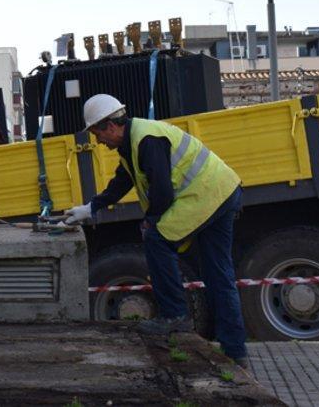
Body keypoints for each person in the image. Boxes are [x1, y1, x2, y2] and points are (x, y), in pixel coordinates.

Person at [63, 94, 248, 368]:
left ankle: (175, 315)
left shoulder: (145, 140)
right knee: (218, 274)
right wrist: (91, 207)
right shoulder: (135, 141)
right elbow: (123, 181)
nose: (98, 142)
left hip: (205, 195)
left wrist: (151, 221)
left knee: (156, 239)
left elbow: (162, 191)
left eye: (97, 134)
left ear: (110, 126)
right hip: (223, 190)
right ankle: (235, 352)